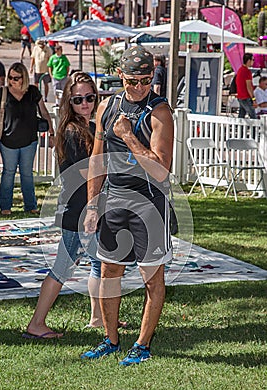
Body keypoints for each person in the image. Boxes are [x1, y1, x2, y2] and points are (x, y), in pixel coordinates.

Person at [81, 45, 174, 366]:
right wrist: (93, 205)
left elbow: (161, 169)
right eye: (132, 80)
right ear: (120, 75)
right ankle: (110, 339)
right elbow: (97, 160)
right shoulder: (106, 106)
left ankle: (143, 344)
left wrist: (129, 136)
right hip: (115, 200)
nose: (139, 87)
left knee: (152, 278)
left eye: (146, 80)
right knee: (109, 271)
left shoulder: (159, 111)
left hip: (150, 204)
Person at [24, 71, 101, 338]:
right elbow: (84, 172)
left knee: (98, 263)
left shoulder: (90, 127)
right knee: (62, 268)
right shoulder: (72, 130)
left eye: (90, 97)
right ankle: (36, 324)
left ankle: (98, 318)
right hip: (78, 210)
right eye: (78, 99)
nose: (85, 103)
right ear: (69, 101)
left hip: (88, 208)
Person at [0, 62, 55, 215]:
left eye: (16, 78)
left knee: (27, 174)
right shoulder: (2, 93)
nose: (12, 80)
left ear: (24, 77)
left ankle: (30, 205)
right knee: (8, 173)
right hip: (7, 141)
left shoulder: (32, 92)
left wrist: (51, 134)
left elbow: (44, 113)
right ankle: (5, 206)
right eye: (10, 77)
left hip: (29, 141)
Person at [236, 53, 257, 119]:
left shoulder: (240, 70)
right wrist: (253, 99)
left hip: (240, 97)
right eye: (253, 60)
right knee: (253, 116)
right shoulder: (247, 72)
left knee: (241, 117)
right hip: (246, 97)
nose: (253, 62)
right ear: (248, 61)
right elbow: (249, 87)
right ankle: (254, 129)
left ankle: (238, 129)